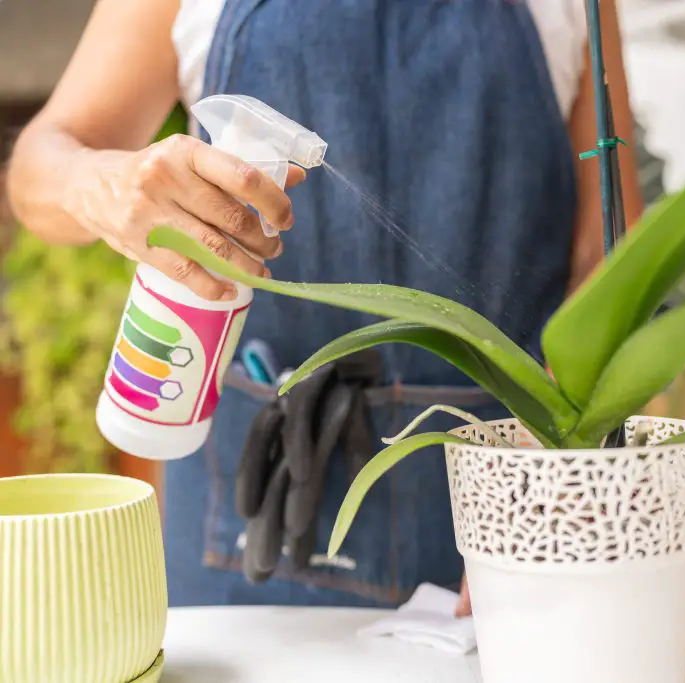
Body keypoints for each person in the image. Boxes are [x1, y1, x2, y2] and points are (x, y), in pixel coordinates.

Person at [7, 0, 641, 613]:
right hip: (258, 509)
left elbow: (612, 251)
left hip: (509, 505)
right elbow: (38, 169)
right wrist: (96, 183)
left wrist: (564, 462)